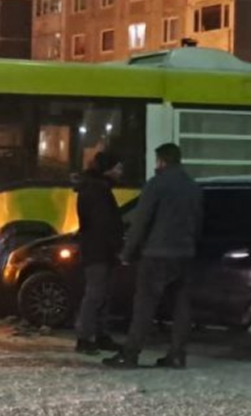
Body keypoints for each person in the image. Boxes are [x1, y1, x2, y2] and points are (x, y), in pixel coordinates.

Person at [105, 143, 203, 369]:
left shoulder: (156, 185)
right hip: (185, 253)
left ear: (161, 161)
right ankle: (177, 354)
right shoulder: (193, 187)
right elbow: (198, 222)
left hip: (156, 254)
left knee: (145, 305)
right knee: (181, 305)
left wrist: (128, 252)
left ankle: (130, 354)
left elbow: (141, 222)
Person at [74, 151, 126, 355]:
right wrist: (116, 246)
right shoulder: (98, 191)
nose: (121, 172)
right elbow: (103, 224)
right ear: (108, 169)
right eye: (118, 168)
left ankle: (98, 334)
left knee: (101, 293)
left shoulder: (95, 188)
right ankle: (85, 337)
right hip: (98, 250)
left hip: (97, 248)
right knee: (96, 294)